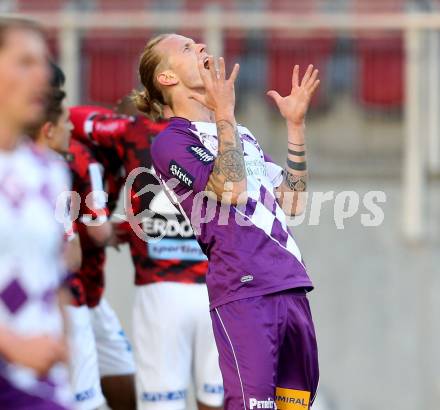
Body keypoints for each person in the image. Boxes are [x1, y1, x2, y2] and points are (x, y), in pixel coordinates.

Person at [135, 33, 320, 410]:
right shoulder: (171, 141)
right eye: (187, 48)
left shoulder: (243, 135)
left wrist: (296, 127)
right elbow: (231, 189)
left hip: (291, 284)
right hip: (244, 289)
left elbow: (293, 200)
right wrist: (223, 115)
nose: (201, 47)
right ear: (167, 78)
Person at [69, 103, 224, 410]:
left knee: (162, 402)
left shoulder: (131, 131)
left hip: (162, 290)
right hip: (217, 290)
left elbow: (69, 116)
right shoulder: (223, 132)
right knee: (218, 398)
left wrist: (122, 228)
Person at [0, 17, 72, 409]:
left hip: (40, 386)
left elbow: (56, 275)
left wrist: (63, 348)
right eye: (24, 62)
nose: (41, 76)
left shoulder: (50, 171)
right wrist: (11, 344)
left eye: (43, 63)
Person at [68, 133, 136, 410]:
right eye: (63, 122)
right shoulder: (81, 156)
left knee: (118, 371)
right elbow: (96, 234)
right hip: (65, 301)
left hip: (87, 297)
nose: (69, 127)